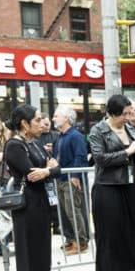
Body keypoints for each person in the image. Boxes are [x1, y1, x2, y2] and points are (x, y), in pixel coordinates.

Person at [88, 95, 135, 271]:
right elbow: (100, 159)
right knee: (111, 234)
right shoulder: (98, 130)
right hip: (107, 188)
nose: (129, 117)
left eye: (130, 113)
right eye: (125, 113)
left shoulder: (130, 128)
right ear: (113, 113)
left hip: (130, 185)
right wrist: (127, 151)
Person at [3, 104, 62, 271]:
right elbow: (31, 174)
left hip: (41, 201)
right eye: (36, 120)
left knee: (42, 254)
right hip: (27, 204)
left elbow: (55, 168)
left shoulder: (34, 143)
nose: (42, 123)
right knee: (30, 255)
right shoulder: (14, 146)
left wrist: (48, 170)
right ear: (24, 124)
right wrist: (49, 170)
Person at [52, 106, 90, 255]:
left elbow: (80, 157)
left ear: (66, 118)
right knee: (65, 212)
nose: (53, 118)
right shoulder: (60, 137)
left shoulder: (76, 136)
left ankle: (81, 242)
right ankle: (71, 239)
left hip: (71, 180)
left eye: (56, 115)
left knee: (74, 211)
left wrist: (75, 176)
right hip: (60, 179)